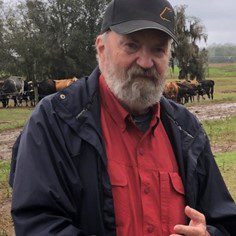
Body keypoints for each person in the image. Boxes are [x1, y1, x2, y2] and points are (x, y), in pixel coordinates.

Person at [9, 0, 236, 235]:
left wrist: (209, 233)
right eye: (131, 45)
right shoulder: (55, 120)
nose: (146, 62)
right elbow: (37, 223)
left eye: (158, 49)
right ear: (101, 49)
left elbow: (225, 220)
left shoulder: (187, 129)